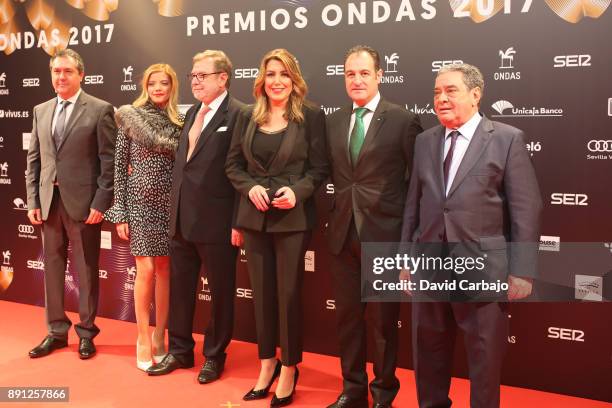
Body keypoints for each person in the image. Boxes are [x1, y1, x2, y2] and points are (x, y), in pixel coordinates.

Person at [400, 63, 542, 407]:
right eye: (436, 92)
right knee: (428, 355)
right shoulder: (424, 141)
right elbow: (413, 205)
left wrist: (521, 271)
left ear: (476, 95)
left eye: (451, 91)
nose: (441, 98)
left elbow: (527, 208)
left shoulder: (507, 139)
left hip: (483, 270)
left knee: (484, 360)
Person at [225, 48, 329, 407]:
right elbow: (233, 165)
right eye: (271, 74)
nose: (277, 81)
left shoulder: (311, 117)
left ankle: (289, 367)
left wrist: (297, 193)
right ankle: (266, 363)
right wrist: (249, 186)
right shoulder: (246, 116)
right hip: (254, 218)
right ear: (262, 79)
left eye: (284, 74)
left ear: (294, 79)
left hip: (291, 220)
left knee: (287, 296)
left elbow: (319, 170)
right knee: (263, 296)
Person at [325, 45, 422, 408]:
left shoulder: (402, 119)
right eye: (350, 74)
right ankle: (352, 390)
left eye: (364, 73)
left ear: (380, 75)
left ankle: (383, 394)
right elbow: (326, 174)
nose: (357, 80)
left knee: (383, 323)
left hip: (385, 238)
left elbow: (417, 185)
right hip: (341, 236)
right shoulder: (333, 121)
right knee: (348, 319)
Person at [146, 50, 245, 385]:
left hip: (218, 224)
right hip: (181, 221)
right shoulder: (192, 113)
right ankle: (180, 350)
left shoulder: (239, 115)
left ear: (223, 78)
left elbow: (241, 173)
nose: (195, 81)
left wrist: (238, 221)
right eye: (193, 76)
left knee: (220, 294)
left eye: (202, 75)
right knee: (181, 291)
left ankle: (214, 356)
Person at [25, 48, 116, 360]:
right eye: (56, 71)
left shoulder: (100, 109)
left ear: (81, 75)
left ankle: (87, 332)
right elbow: (34, 159)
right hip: (49, 202)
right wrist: (33, 198)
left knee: (86, 269)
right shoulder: (41, 109)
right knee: (52, 267)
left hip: (85, 204)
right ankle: (56, 331)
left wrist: (101, 202)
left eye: (67, 71)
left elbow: (109, 162)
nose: (60, 77)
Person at [105, 63, 183, 371]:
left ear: (172, 86)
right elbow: (119, 169)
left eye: (164, 83)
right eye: (153, 84)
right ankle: (141, 336)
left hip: (170, 204)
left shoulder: (180, 122)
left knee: (165, 269)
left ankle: (160, 336)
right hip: (139, 203)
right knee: (146, 269)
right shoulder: (129, 117)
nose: (159, 88)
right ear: (145, 86)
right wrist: (121, 211)